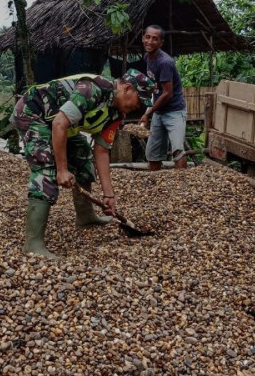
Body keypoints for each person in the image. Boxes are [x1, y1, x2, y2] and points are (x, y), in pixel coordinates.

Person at [13, 70, 156, 259]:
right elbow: (59, 124)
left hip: (61, 125)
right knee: (46, 168)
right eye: (139, 100)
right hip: (33, 113)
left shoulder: (117, 114)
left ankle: (85, 217)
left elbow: (102, 150)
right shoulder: (92, 90)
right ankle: (33, 244)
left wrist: (108, 194)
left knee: (82, 155)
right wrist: (62, 169)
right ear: (128, 89)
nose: (139, 107)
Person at [138, 25, 187, 170]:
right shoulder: (148, 57)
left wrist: (148, 113)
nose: (150, 41)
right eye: (147, 37)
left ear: (161, 43)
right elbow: (155, 87)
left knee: (177, 151)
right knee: (153, 153)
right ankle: (155, 182)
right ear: (143, 38)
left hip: (174, 111)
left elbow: (167, 93)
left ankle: (182, 182)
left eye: (155, 39)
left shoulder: (165, 62)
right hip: (159, 112)